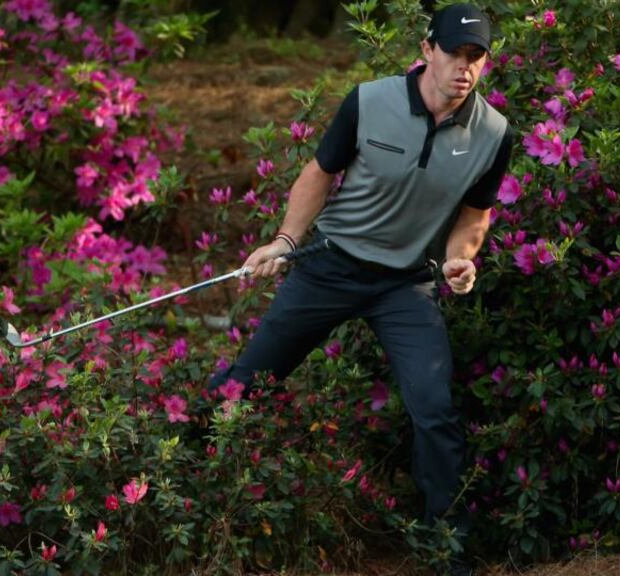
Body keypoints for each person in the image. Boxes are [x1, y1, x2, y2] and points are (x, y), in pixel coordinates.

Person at [210, 4, 513, 574]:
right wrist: (283, 241)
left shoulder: (493, 133)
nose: (465, 68)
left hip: (405, 284)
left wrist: (459, 260)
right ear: (427, 50)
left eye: (477, 57)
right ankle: (188, 487)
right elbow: (319, 174)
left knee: (435, 410)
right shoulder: (369, 101)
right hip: (330, 266)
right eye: (455, 53)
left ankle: (444, 547)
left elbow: (476, 214)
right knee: (247, 384)